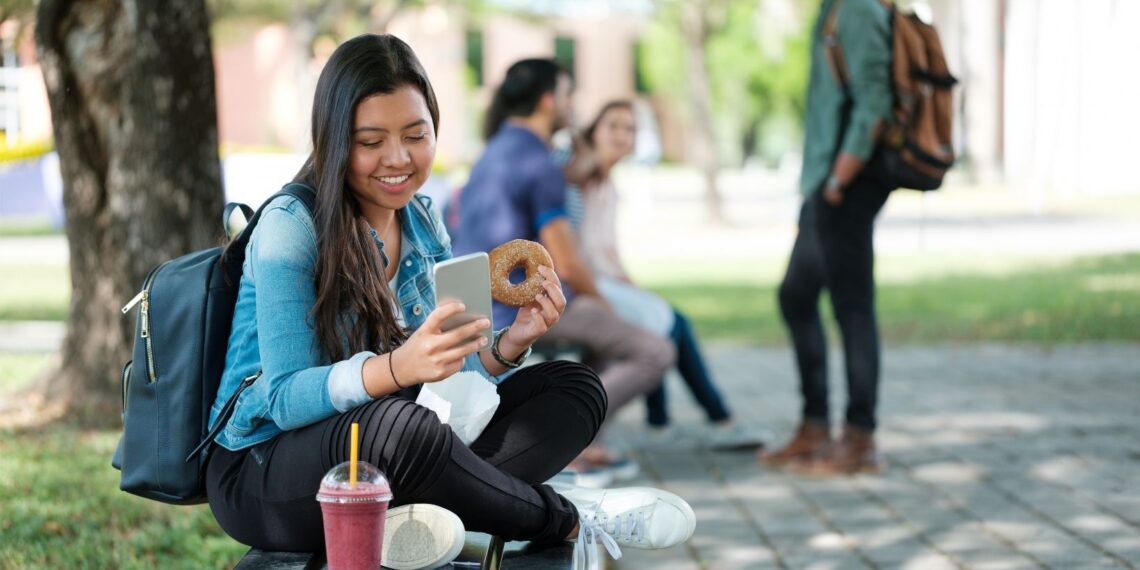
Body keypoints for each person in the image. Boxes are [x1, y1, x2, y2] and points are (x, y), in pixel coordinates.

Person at [204, 35, 695, 568]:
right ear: (334, 140)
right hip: (264, 467)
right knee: (398, 425)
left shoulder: (423, 221)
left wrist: (508, 346)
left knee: (574, 386)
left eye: (416, 135)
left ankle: (418, 520)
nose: (399, 159)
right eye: (371, 141)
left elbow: (455, 387)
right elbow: (284, 398)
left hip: (399, 447)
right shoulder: (290, 228)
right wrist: (395, 368)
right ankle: (571, 514)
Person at [452, 59, 675, 482]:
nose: (572, 105)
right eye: (568, 94)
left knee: (606, 343)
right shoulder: (540, 162)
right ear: (549, 99)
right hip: (519, 314)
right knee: (655, 351)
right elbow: (567, 262)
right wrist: (606, 303)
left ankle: (584, 438)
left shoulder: (493, 150)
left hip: (478, 306)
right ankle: (568, 443)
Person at [563, 101, 759, 450]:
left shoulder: (610, 186)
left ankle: (666, 420)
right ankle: (714, 418)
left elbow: (610, 251)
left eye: (630, 129)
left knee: (667, 319)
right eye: (614, 126)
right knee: (671, 324)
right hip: (587, 285)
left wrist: (633, 286)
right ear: (595, 132)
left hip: (607, 279)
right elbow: (581, 250)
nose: (623, 135)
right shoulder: (584, 175)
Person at [760, 0, 894, 475]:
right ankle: (816, 426)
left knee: (852, 307)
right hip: (826, 183)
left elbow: (876, 99)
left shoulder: (857, 8)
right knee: (796, 295)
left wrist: (839, 178)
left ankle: (860, 439)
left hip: (847, 184)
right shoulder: (834, 7)